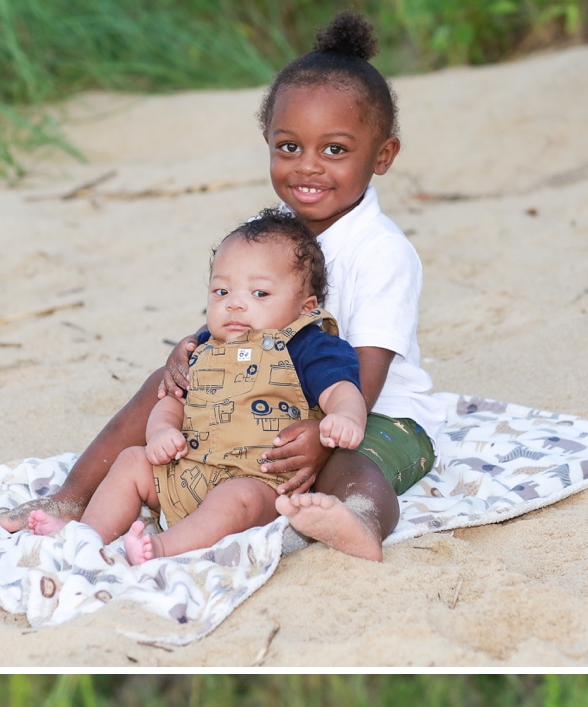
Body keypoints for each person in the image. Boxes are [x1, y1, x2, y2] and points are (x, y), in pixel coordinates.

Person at [0, 10, 438, 562]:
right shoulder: (277, 229)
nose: (307, 169)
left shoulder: (382, 252)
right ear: (267, 141)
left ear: (383, 156)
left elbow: (367, 373)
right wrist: (195, 349)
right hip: (267, 400)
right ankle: (70, 498)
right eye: (288, 147)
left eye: (335, 150)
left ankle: (359, 522)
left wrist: (324, 425)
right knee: (168, 381)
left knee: (348, 464)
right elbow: (244, 307)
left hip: (369, 412)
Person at [21, 210, 365, 564]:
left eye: (260, 293)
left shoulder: (309, 345)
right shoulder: (204, 346)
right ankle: (87, 537)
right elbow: (174, 400)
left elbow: (341, 389)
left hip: (258, 481)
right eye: (222, 290)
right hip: (188, 474)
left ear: (304, 307)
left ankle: (164, 547)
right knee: (131, 461)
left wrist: (345, 417)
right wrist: (160, 431)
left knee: (238, 498)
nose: (235, 302)